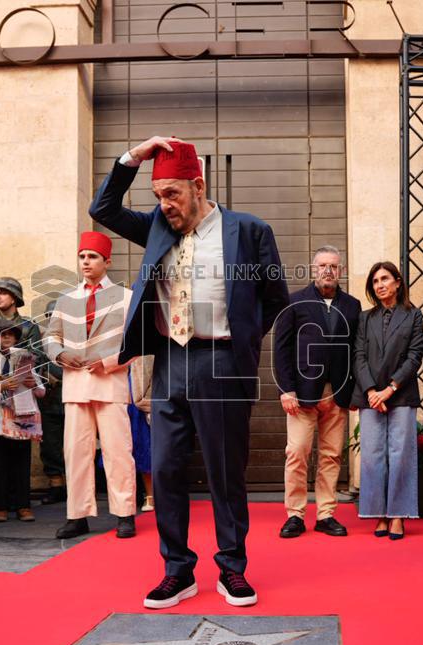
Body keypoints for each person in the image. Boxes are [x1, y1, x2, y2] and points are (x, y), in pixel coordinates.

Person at [89, 136, 289, 609]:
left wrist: (240, 342)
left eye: (172, 194)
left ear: (198, 186)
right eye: (158, 195)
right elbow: (103, 209)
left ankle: (232, 568)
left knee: (225, 472)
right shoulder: (158, 226)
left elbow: (275, 299)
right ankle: (177, 571)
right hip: (169, 362)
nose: (165, 204)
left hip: (221, 361)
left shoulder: (249, 230)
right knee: (165, 469)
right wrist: (133, 158)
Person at [43, 231, 137, 540]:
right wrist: (59, 354)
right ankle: (77, 516)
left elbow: (137, 341)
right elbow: (50, 337)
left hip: (110, 384)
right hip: (75, 386)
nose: (86, 261)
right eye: (82, 256)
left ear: (107, 261)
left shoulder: (126, 298)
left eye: (92, 256)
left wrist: (108, 362)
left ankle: (125, 514)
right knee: (76, 453)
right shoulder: (66, 300)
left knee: (118, 452)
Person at [273, 246, 361, 539]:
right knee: (297, 453)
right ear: (313, 269)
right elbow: (281, 349)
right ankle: (295, 515)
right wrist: (286, 389)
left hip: (337, 394)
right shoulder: (294, 302)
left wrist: (355, 392)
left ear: (341, 271)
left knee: (331, 456)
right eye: (323, 265)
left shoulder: (352, 305)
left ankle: (325, 514)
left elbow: (356, 351)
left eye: (333, 266)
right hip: (301, 394)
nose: (328, 271)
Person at [352, 261, 423, 541]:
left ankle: (398, 515)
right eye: (375, 281)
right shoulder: (365, 318)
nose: (380, 285)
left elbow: (414, 356)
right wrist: (371, 391)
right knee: (372, 455)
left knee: (400, 454)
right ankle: (377, 513)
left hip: (401, 394)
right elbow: (358, 355)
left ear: (397, 282)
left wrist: (390, 389)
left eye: (384, 279)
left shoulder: (413, 315)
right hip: (370, 396)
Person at [0, 278, 49, 508]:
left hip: (20, 394)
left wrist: (22, 371)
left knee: (19, 448)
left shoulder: (28, 326)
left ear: (15, 297)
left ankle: (19, 501)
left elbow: (37, 357)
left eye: (3, 292)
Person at [37, 300, 67, 506]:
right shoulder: (41, 342)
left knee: (79, 446)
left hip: (73, 399)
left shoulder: (76, 339)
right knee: (50, 446)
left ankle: (79, 487)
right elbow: (33, 364)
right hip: (50, 400)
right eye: (50, 316)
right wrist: (44, 375)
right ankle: (56, 485)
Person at [129, 355, 154, 512]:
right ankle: (132, 493)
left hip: (143, 384)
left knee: (145, 443)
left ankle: (151, 494)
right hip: (121, 383)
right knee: (130, 445)